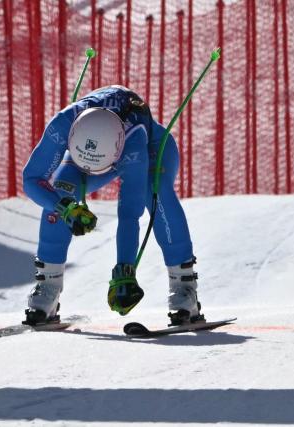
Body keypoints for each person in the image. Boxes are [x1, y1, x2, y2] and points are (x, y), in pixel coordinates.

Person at [22, 85, 203, 327]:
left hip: (149, 148)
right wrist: (64, 207)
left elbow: (129, 213)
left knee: (155, 191)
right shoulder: (62, 124)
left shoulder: (134, 143)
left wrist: (125, 270)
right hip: (91, 151)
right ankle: (48, 286)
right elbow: (32, 179)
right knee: (62, 189)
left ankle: (184, 288)